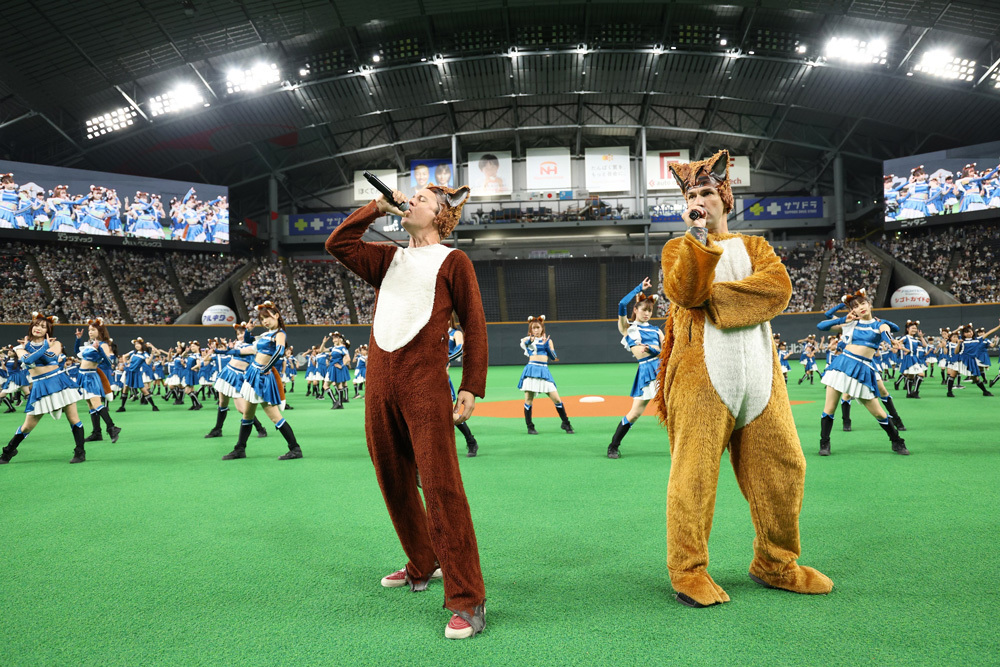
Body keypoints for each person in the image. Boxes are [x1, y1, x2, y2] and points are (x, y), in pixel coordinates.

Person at [654, 149, 832, 608]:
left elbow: (777, 292)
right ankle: (688, 570)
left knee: (785, 467)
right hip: (699, 381)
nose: (699, 199)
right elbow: (685, 291)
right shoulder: (679, 248)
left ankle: (775, 563)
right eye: (691, 194)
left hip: (761, 379)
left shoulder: (756, 247)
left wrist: (711, 302)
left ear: (724, 197)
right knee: (693, 476)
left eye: (707, 192)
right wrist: (697, 240)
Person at [325, 181, 488, 639]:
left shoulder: (453, 260)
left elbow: (474, 326)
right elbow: (338, 243)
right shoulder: (387, 258)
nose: (410, 200)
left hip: (425, 387)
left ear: (441, 214)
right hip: (379, 385)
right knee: (392, 479)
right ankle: (422, 561)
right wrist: (376, 206)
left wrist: (472, 385)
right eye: (408, 196)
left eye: (421, 198)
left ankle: (467, 598)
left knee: (440, 487)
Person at [817, 289, 909, 455]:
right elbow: (821, 326)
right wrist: (845, 318)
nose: (861, 307)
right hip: (841, 365)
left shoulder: (880, 323)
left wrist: (892, 341)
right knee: (829, 408)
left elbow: (887, 332)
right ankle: (824, 444)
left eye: (863, 303)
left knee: (879, 412)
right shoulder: (851, 323)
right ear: (853, 310)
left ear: (869, 304)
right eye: (856, 306)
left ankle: (896, 441)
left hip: (862, 370)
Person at [1, 313, 87, 465]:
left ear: (48, 330)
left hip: (59, 382)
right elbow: (27, 360)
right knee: (28, 425)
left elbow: (50, 358)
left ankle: (80, 451)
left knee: (73, 418)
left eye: (43, 326)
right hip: (39, 386)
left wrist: (35, 349)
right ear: (31, 327)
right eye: (36, 325)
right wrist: (32, 348)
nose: (38, 329)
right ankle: (9, 451)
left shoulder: (55, 343)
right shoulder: (20, 348)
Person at [223, 302, 301, 460]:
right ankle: (240, 448)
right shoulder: (265, 335)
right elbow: (249, 348)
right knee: (247, 414)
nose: (264, 321)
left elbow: (280, 350)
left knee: (274, 416)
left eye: (267, 317)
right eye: (262, 319)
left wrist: (268, 367)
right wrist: (245, 335)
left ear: (277, 316)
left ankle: (295, 448)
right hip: (254, 374)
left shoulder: (279, 333)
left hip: (262, 377)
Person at [606, 278, 661, 459]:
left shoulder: (656, 331)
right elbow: (622, 303)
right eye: (644, 310)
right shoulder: (627, 328)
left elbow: (667, 351)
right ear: (635, 310)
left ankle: (684, 447)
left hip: (662, 370)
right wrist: (639, 288)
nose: (647, 313)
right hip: (645, 371)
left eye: (650, 310)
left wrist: (654, 350)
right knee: (635, 413)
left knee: (675, 410)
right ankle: (613, 446)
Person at [205, 323, 268, 439]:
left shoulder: (253, 344)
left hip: (238, 377)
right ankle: (218, 429)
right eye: (238, 334)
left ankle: (260, 428)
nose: (240, 336)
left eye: (242, 333)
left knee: (242, 409)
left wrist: (248, 330)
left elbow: (248, 340)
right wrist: (215, 350)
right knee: (222, 403)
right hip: (227, 373)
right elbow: (230, 352)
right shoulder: (237, 344)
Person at [518, 316, 574, 435]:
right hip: (531, 370)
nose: (536, 330)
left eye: (538, 327)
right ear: (531, 329)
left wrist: (546, 346)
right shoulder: (526, 339)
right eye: (534, 328)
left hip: (544, 371)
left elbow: (554, 357)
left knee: (557, 399)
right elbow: (525, 345)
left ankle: (566, 423)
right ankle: (530, 426)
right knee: (528, 399)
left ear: (542, 328)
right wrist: (531, 341)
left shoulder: (548, 340)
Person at [74, 318, 122, 442]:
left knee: (96, 403)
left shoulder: (103, 345)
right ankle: (97, 432)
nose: (90, 332)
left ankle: (111, 427)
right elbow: (76, 352)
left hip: (91, 377)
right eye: (89, 330)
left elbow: (109, 362)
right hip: (83, 376)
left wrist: (99, 350)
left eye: (93, 330)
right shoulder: (90, 344)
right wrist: (78, 339)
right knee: (90, 405)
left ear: (100, 331)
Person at [448, 321, 478, 457]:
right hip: (424, 379)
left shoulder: (455, 333)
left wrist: (444, 360)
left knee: (449, 414)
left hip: (441, 380)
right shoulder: (433, 331)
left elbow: (460, 348)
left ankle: (471, 441)